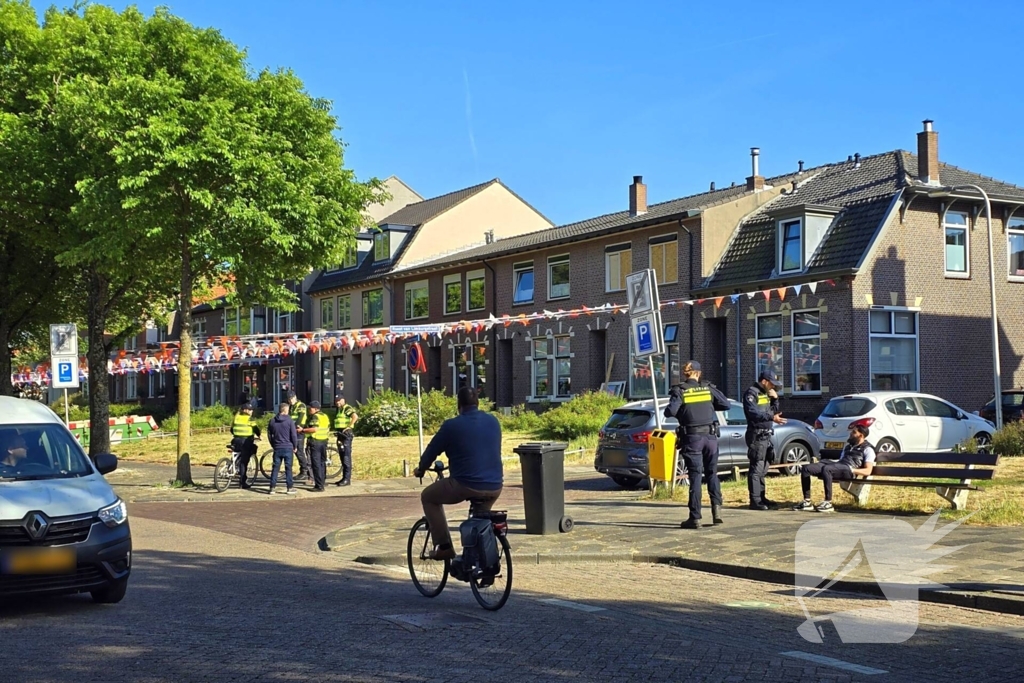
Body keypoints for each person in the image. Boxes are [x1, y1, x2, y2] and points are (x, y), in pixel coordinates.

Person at [413, 387, 502, 561]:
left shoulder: (451, 425)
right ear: (477, 402)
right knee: (479, 521)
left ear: (458, 404)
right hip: (495, 485)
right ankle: (478, 560)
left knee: (428, 497)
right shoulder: (493, 421)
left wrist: (421, 469)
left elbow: (432, 451)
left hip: (465, 484)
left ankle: (444, 547)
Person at [664, 361, 731, 529]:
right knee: (712, 474)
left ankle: (695, 517)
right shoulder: (708, 389)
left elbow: (670, 412)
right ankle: (717, 513)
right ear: (698, 373)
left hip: (692, 438)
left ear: (685, 374)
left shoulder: (680, 390)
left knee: (695, 476)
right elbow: (726, 404)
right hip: (710, 438)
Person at [794, 424, 876, 513]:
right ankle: (807, 502)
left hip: (849, 470)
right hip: (840, 465)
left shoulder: (868, 450)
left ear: (861, 435)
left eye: (854, 432)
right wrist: (830, 461)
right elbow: (841, 460)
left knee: (827, 469)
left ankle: (828, 502)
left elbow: (868, 471)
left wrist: (852, 470)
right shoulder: (848, 447)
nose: (850, 433)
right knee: (807, 468)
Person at [743, 370, 786, 510]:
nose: (773, 387)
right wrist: (771, 418)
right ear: (764, 381)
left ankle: (762, 497)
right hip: (756, 434)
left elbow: (772, 412)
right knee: (756, 468)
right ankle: (755, 500)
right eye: (772, 384)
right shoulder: (752, 393)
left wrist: (775, 400)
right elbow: (753, 413)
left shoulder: (766, 394)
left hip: (766, 435)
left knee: (764, 467)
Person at [267, 402, 299, 495]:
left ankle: (272, 488)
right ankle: (289, 488)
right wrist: (295, 446)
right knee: (288, 468)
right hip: (288, 447)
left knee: (275, 468)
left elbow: (269, 434)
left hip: (277, 447)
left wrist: (273, 444)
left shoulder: (272, 421)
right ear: (286, 410)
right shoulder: (289, 421)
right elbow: (293, 434)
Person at [230, 400, 261, 489]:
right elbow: (256, 429)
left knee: (238, 454)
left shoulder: (236, 417)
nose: (252, 411)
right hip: (245, 442)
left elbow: (232, 430)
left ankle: (235, 464)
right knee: (244, 461)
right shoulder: (250, 419)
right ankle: (242, 482)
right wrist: (259, 435)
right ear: (246, 410)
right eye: (250, 410)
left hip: (235, 440)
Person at [299, 400, 330, 491]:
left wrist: (303, 430)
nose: (309, 410)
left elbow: (314, 429)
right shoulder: (325, 416)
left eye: (310, 408)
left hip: (315, 442)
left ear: (316, 409)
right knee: (322, 463)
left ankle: (319, 486)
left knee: (316, 464)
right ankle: (322, 481)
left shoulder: (315, 417)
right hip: (323, 441)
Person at [333, 395, 358, 487]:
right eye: (336, 401)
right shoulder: (339, 409)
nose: (337, 402)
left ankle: (347, 479)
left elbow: (355, 417)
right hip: (340, 434)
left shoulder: (347, 408)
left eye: (339, 401)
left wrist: (349, 426)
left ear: (343, 400)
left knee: (346, 457)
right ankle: (344, 478)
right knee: (342, 456)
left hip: (346, 435)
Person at [288, 391, 312, 484]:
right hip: (293, 430)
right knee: (295, 450)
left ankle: (304, 471)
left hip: (298, 430)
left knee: (299, 450)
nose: (290, 401)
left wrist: (297, 426)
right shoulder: (291, 406)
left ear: (295, 397)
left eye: (291, 398)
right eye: (289, 399)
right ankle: (303, 469)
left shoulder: (301, 405)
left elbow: (301, 417)